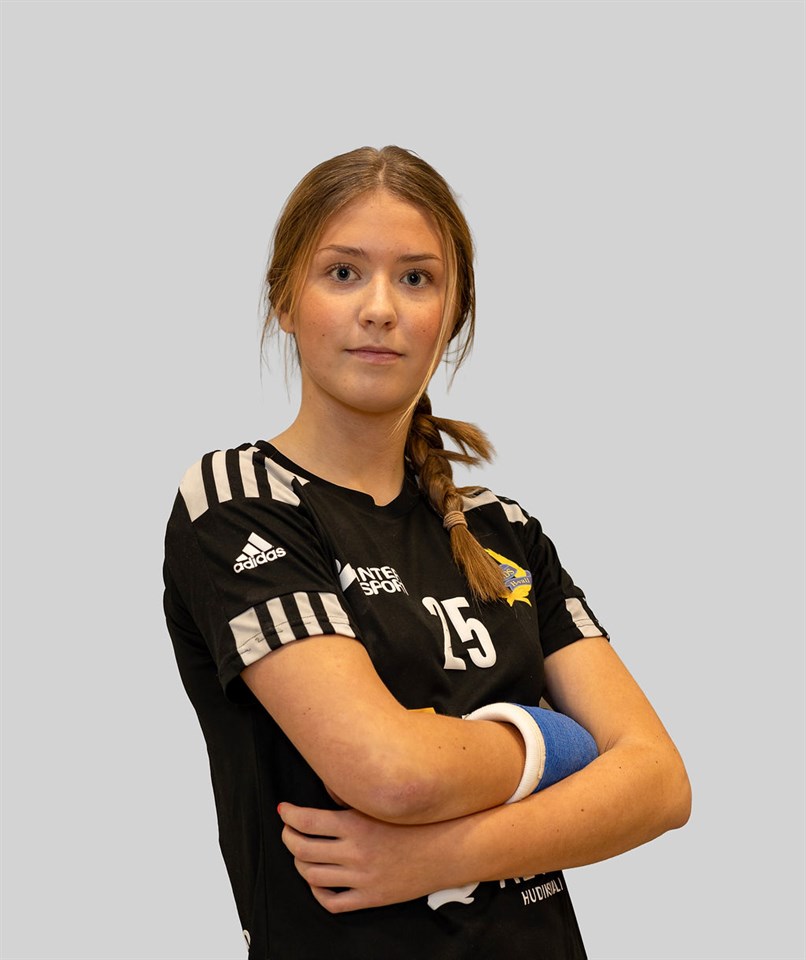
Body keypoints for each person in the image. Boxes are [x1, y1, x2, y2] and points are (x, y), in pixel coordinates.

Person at [163, 145, 691, 960]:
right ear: (285, 299)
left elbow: (660, 783)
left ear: (453, 312)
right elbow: (389, 773)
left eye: (416, 278)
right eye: (343, 273)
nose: (380, 308)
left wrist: (437, 858)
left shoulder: (502, 531)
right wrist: (559, 741)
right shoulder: (240, 502)